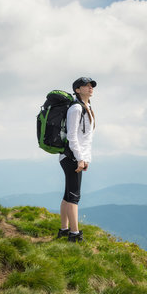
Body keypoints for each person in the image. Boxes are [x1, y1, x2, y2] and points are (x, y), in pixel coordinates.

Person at [57, 77, 96, 242]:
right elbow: (73, 136)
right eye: (86, 86)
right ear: (77, 90)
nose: (90, 88)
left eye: (91, 86)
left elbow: (86, 138)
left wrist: (85, 158)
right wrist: (80, 158)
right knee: (74, 196)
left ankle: (64, 229)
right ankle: (74, 234)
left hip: (75, 157)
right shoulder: (76, 109)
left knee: (68, 195)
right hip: (71, 157)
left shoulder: (87, 107)